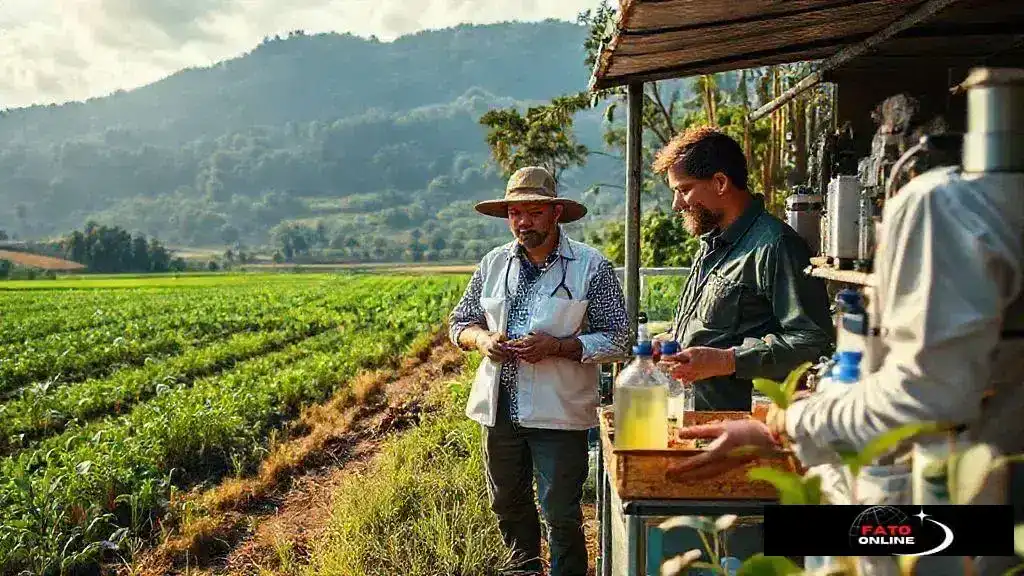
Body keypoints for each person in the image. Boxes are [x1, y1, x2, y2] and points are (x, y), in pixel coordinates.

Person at [674, 68, 1024, 575]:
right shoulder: (712, 250)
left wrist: (781, 424)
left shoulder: (941, 203)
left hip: (948, 501)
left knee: (774, 551)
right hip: (935, 483)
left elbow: (928, 391)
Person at [448, 166, 630, 576]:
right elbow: (459, 323)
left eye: (533, 212)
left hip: (559, 414)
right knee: (507, 505)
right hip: (499, 413)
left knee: (560, 513)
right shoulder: (494, 264)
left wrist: (560, 347)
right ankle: (523, 571)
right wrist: (483, 341)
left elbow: (619, 338)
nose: (523, 222)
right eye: (515, 213)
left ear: (556, 213)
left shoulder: (590, 267)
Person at [651, 126, 834, 412]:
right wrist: (670, 341)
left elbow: (812, 342)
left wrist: (728, 360)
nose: (677, 205)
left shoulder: (776, 246)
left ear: (720, 182)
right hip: (700, 419)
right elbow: (713, 330)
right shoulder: (712, 244)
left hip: (745, 430)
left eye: (683, 190)